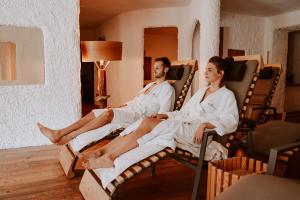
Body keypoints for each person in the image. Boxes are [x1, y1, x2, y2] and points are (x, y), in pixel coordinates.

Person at [80, 56, 239, 169]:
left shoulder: (227, 96)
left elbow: (231, 121)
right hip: (183, 124)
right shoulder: (201, 91)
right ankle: (103, 152)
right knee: (143, 123)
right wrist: (166, 115)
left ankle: (110, 156)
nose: (206, 73)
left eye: (210, 70)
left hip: (196, 134)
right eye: (206, 69)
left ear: (221, 73)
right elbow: (183, 112)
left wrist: (205, 124)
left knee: (148, 123)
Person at [38, 57, 175, 145]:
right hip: (129, 110)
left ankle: (69, 136)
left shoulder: (167, 89)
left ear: (166, 69)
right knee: (94, 112)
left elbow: (164, 113)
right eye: (154, 67)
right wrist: (119, 106)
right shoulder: (150, 85)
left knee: (108, 114)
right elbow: (135, 100)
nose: (154, 70)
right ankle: (59, 133)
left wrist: (149, 122)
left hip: (138, 117)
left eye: (157, 68)